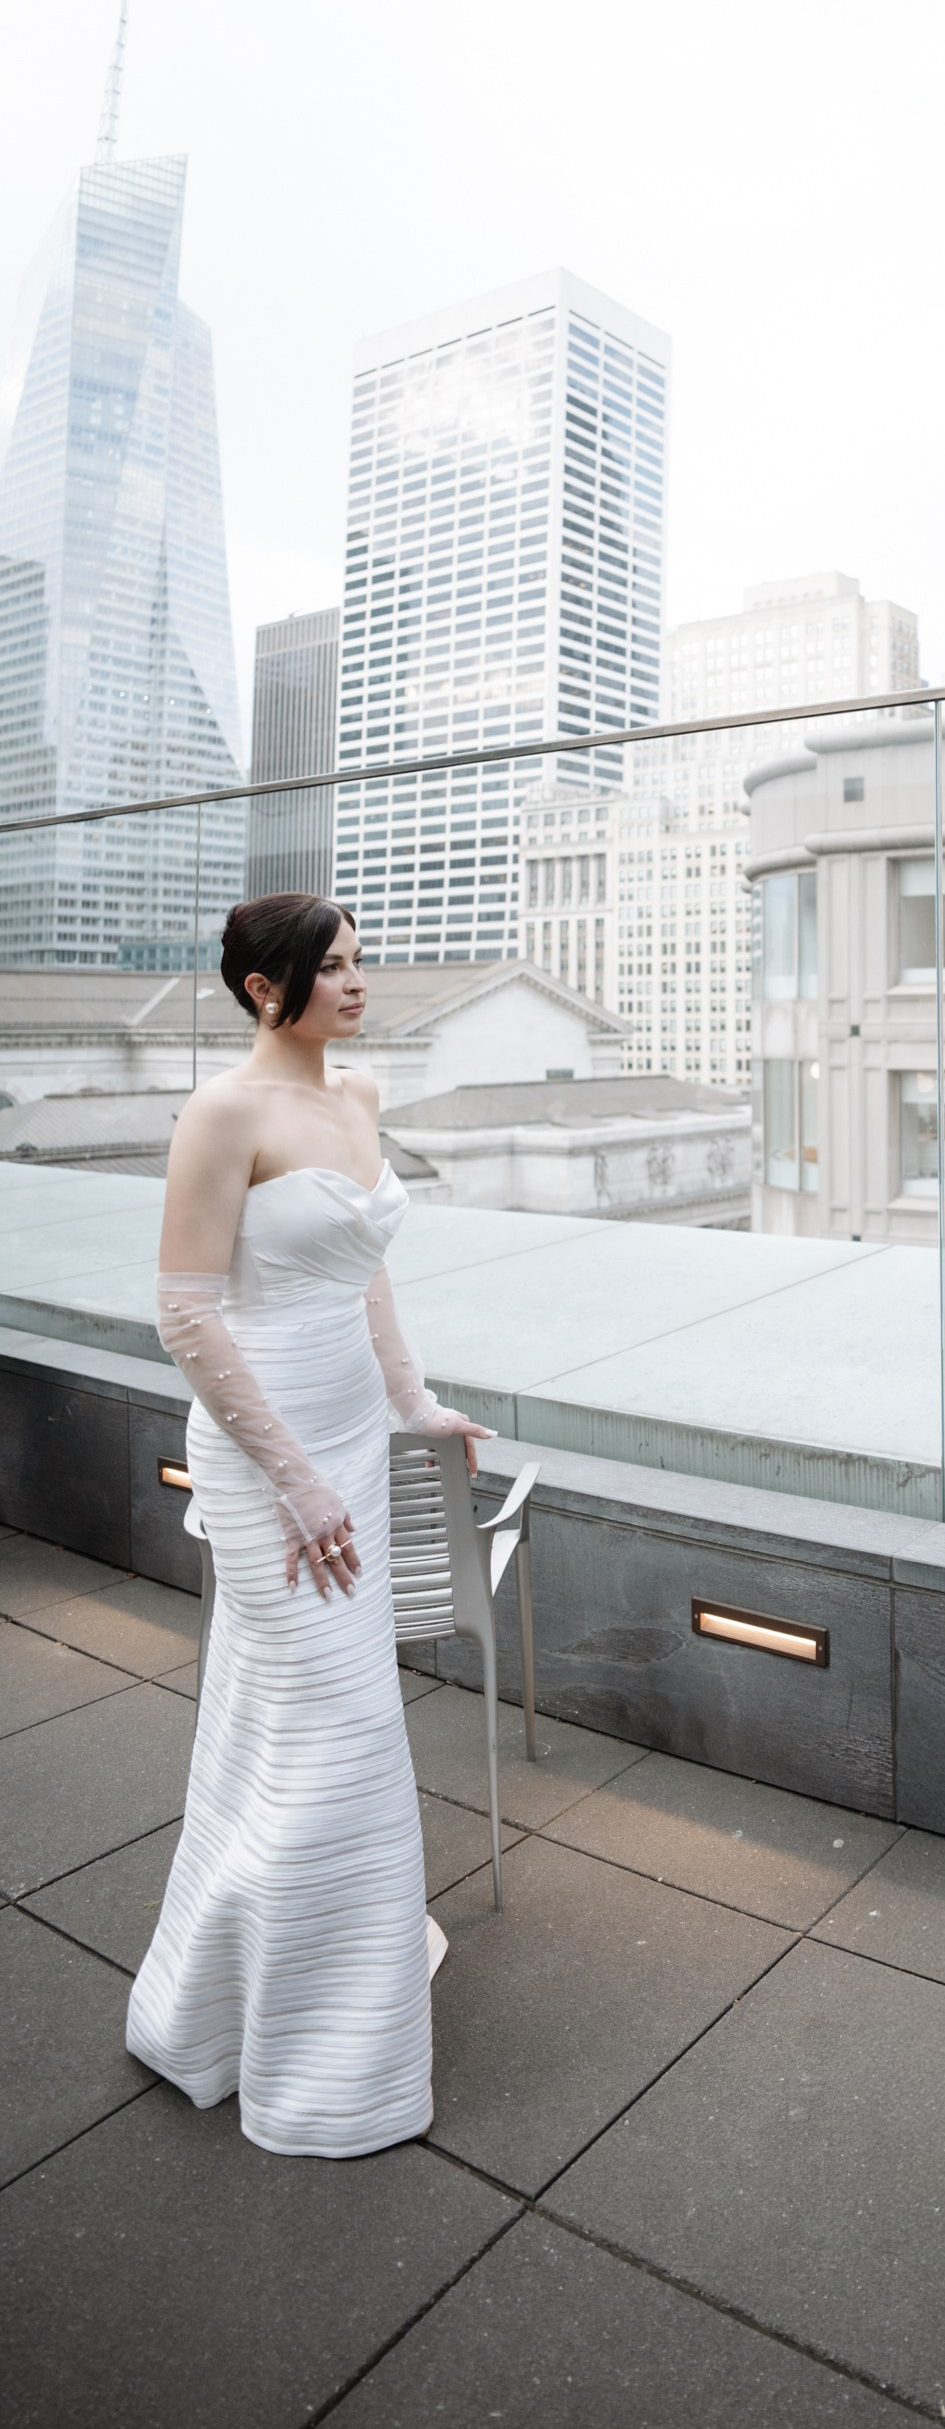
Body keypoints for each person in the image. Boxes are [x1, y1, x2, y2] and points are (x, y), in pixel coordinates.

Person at [127, 893, 491, 2158]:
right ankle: (315, 2038)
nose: (355, 983)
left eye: (355, 960)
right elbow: (186, 1316)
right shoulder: (222, 1113)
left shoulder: (362, 1097)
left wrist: (414, 1402)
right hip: (265, 1456)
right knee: (332, 1719)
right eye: (327, 968)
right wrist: (296, 1480)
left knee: (302, 1714)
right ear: (259, 989)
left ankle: (280, 1978)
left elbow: (362, 1262)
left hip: (346, 1440)